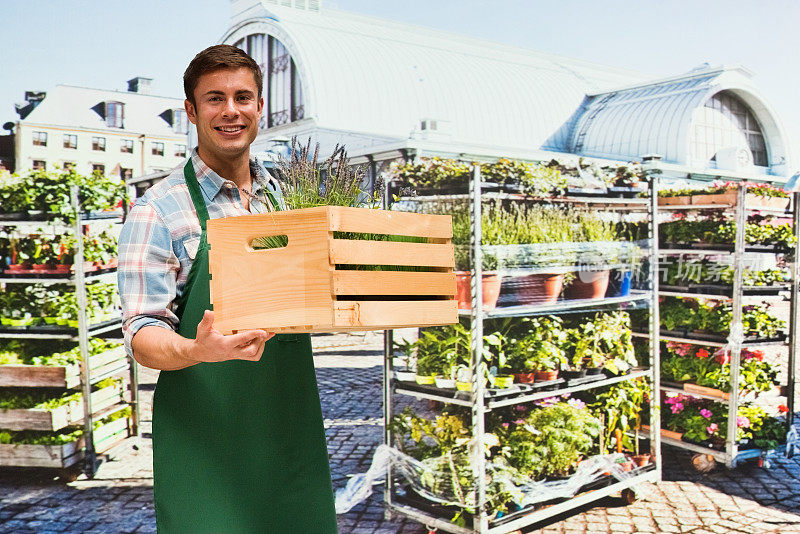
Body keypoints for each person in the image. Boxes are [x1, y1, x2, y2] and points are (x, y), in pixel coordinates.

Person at [118, 45, 338, 533]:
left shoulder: (286, 202)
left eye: (243, 97)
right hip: (206, 441)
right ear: (192, 112)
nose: (231, 111)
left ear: (260, 107)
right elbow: (141, 333)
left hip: (288, 427)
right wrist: (197, 349)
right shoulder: (157, 211)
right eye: (214, 99)